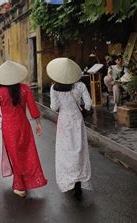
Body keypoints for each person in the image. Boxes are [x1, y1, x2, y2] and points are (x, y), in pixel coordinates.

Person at [0, 60, 48, 197]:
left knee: (15, 156)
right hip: (24, 126)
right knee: (28, 153)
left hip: (9, 129)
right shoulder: (25, 89)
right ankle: (29, 180)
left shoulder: (0, 92)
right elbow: (33, 108)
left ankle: (20, 185)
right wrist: (38, 123)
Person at [47, 58, 92, 199]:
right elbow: (89, 104)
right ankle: (79, 180)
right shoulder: (80, 86)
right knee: (79, 149)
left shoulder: (54, 88)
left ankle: (69, 179)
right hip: (77, 120)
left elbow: (54, 107)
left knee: (66, 151)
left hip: (64, 122)